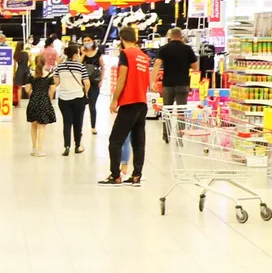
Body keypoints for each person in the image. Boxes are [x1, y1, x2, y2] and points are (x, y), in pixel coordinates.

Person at [100, 26, 152, 185]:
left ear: (122, 39)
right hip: (142, 103)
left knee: (115, 141)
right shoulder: (144, 56)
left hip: (129, 102)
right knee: (138, 141)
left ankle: (115, 175)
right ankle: (137, 175)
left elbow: (122, 78)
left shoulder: (125, 54)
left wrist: (115, 99)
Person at [152, 27, 199, 143]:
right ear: (181, 36)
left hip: (167, 85)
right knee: (181, 111)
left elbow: (157, 65)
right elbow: (195, 67)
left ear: (170, 36)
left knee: (166, 110)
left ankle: (166, 135)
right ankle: (180, 137)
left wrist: (152, 81)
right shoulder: (187, 49)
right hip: (183, 84)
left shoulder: (164, 49)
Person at [54, 45, 90, 155]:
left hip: (63, 98)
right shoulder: (81, 67)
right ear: (75, 55)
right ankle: (78, 145)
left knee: (67, 122)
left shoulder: (60, 67)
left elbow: (56, 83)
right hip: (78, 98)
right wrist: (85, 92)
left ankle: (67, 146)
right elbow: (87, 83)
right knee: (78, 122)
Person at [25, 54, 57, 156]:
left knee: (33, 125)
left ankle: (33, 148)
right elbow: (53, 90)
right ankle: (39, 149)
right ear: (45, 63)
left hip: (33, 101)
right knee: (42, 126)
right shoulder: (49, 75)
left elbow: (27, 89)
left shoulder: (31, 75)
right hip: (44, 101)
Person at [79, 35, 105, 134]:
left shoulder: (98, 53)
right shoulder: (82, 52)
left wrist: (101, 80)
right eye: (84, 40)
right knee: (81, 106)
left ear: (92, 41)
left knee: (92, 106)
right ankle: (79, 127)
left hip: (94, 82)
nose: (86, 42)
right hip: (83, 83)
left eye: (88, 40)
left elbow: (103, 67)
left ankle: (93, 126)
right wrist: (83, 54)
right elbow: (78, 64)